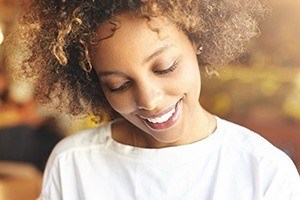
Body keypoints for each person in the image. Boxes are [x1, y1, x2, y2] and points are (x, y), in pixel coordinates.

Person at [11, 0, 300, 199]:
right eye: (119, 85)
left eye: (165, 67)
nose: (149, 101)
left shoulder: (264, 170)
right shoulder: (74, 164)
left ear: (196, 41)